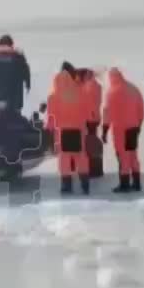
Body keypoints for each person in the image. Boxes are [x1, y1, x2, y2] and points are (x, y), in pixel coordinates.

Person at [46, 65, 90, 195]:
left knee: (64, 159)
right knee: (80, 157)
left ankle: (66, 185)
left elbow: (51, 117)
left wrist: (50, 131)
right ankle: (85, 184)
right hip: (78, 129)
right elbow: (87, 112)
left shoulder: (53, 97)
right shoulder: (80, 92)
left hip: (63, 130)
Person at [101, 67, 144, 193]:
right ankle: (137, 183)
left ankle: (124, 184)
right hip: (133, 127)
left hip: (120, 130)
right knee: (133, 154)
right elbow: (141, 109)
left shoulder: (112, 92)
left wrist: (105, 130)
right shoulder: (133, 89)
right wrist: (138, 124)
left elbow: (107, 113)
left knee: (123, 156)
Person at [0, 34, 30, 113]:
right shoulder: (18, 56)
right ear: (12, 45)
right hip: (15, 98)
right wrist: (28, 85)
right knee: (15, 120)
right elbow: (26, 72)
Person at [77, 68, 103, 178]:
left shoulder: (88, 86)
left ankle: (92, 169)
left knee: (89, 143)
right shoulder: (96, 85)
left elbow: (86, 102)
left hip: (89, 118)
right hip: (94, 117)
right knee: (92, 142)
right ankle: (96, 168)